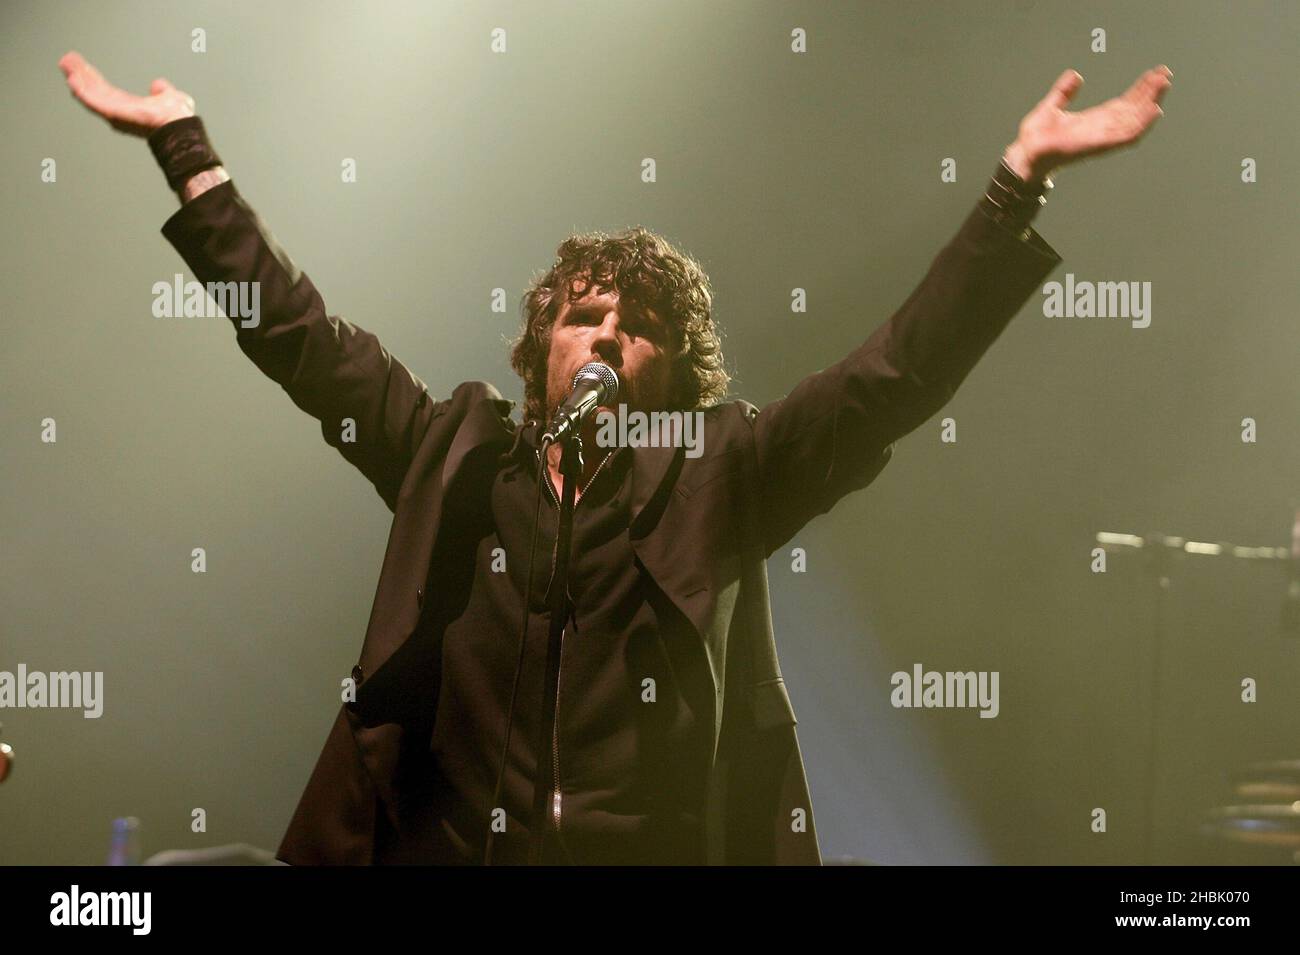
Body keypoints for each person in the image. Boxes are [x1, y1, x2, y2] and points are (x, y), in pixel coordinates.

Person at [58, 50, 1172, 865]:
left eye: (635, 324)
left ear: (673, 371)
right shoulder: (451, 451)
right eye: (581, 314)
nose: (604, 333)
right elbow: (298, 337)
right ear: (539, 345)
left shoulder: (718, 470)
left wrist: (1015, 186)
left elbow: (892, 380)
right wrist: (187, 153)